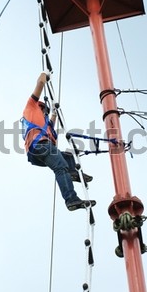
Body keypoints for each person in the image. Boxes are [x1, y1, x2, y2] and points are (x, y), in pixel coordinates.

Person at [22, 72, 96, 212]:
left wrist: (54, 114)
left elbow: (50, 124)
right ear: (40, 106)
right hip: (39, 146)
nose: (45, 112)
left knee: (68, 156)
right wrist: (45, 74)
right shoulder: (31, 106)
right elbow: (40, 83)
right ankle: (71, 199)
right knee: (60, 167)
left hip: (40, 149)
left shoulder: (45, 123)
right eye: (44, 109)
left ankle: (73, 172)